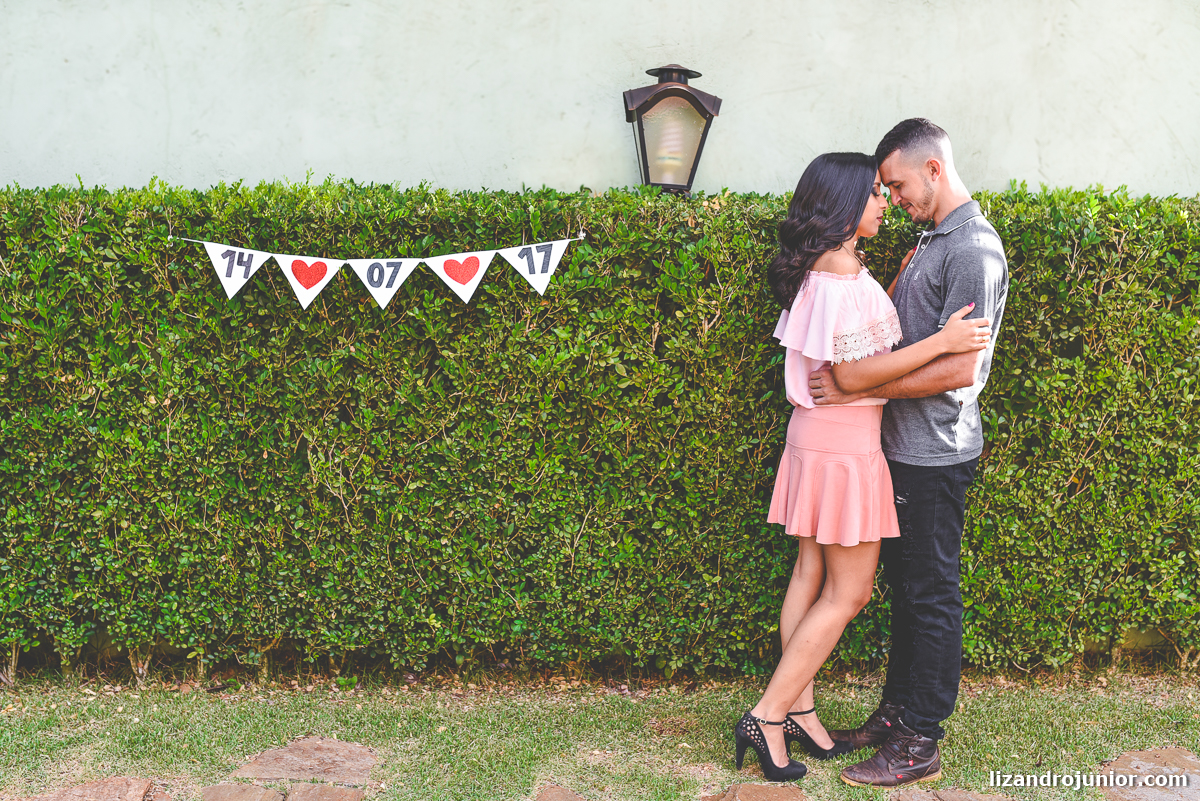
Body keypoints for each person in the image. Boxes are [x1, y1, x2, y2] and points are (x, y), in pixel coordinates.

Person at [732, 151, 992, 782]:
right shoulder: (841, 273)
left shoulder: (826, 267)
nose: (886, 203)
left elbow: (839, 364)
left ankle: (802, 709)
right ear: (847, 205)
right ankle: (768, 715)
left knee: (810, 574)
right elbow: (847, 375)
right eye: (876, 194)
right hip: (845, 445)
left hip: (814, 436)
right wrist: (942, 342)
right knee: (848, 594)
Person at [807, 120, 1010, 788]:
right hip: (900, 449)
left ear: (933, 168)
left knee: (930, 595)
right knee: (907, 590)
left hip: (934, 453)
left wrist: (858, 386)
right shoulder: (930, 243)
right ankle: (896, 715)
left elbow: (961, 370)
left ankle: (921, 735)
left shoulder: (973, 248)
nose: (892, 198)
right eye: (884, 189)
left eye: (896, 184)